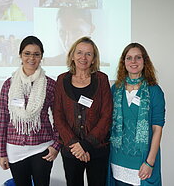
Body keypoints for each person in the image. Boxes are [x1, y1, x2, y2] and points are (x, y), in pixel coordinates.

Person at [0, 36, 60, 186]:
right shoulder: (9, 85)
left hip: (42, 147)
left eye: (36, 54)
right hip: (14, 149)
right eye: (27, 53)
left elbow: (59, 118)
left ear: (41, 57)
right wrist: (2, 153)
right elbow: (2, 120)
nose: (31, 58)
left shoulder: (50, 85)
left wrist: (56, 145)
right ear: (20, 55)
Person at [54, 36, 112, 186]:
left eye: (88, 54)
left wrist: (85, 145)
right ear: (72, 56)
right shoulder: (61, 80)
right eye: (79, 52)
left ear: (94, 59)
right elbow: (58, 116)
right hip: (71, 150)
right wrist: (75, 145)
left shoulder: (102, 79)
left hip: (97, 149)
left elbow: (106, 115)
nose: (83, 57)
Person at [107, 43, 166, 186]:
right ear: (123, 62)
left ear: (144, 61)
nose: (133, 62)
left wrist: (150, 162)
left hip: (142, 160)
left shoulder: (154, 91)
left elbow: (157, 129)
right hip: (117, 159)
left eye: (138, 57)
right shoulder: (115, 89)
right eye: (129, 58)